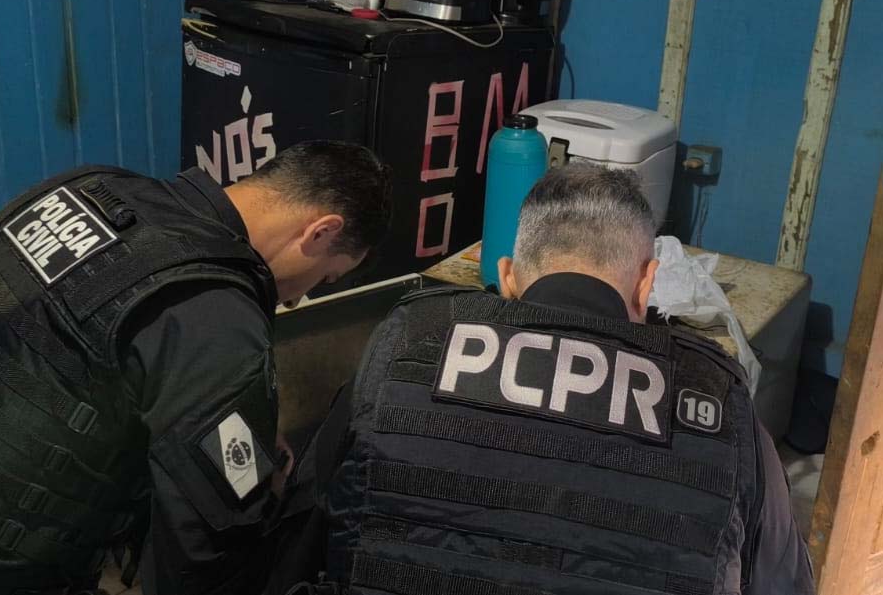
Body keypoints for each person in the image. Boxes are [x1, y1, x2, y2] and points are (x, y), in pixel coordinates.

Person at [0, 140, 392, 595]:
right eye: (326, 277)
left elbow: (70, 372)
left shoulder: (86, 189)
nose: (299, 298)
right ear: (321, 232)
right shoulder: (211, 312)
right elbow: (203, 549)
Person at [294, 163, 813, 595]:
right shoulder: (715, 396)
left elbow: (303, 524)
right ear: (647, 284)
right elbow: (783, 580)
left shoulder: (411, 340)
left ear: (507, 276)